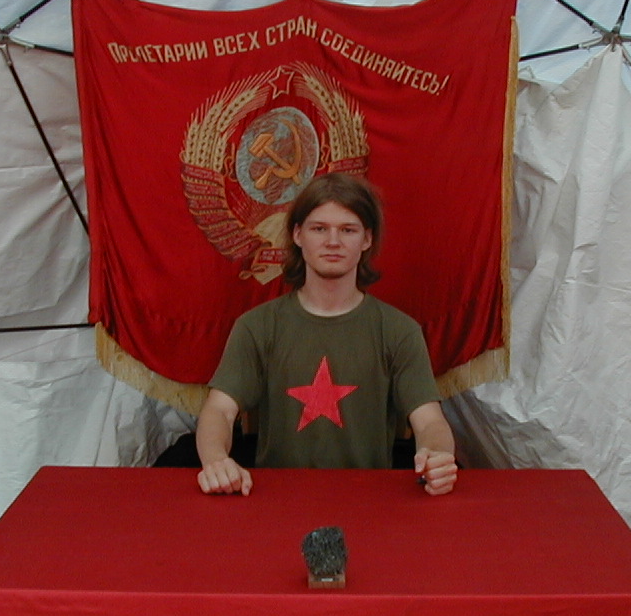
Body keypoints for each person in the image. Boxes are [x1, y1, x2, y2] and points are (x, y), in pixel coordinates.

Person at [196, 172, 458, 497]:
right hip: (276, 502)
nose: (333, 241)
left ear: (366, 239)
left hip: (371, 503)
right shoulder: (257, 326)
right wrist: (216, 460)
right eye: (319, 228)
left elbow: (429, 421)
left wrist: (437, 457)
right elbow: (220, 410)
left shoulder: (399, 331)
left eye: (347, 230)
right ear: (297, 235)